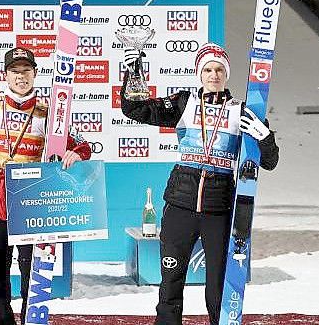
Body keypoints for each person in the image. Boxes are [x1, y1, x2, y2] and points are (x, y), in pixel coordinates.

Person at [120, 42, 279, 325]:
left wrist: (265, 137)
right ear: (199, 73)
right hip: (180, 204)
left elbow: (269, 161)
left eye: (219, 70)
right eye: (208, 69)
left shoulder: (241, 110)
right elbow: (134, 109)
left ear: (226, 74)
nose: (213, 74)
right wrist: (133, 71)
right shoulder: (184, 103)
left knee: (217, 284)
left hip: (218, 210)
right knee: (170, 281)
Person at [0, 47, 92, 325]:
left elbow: (82, 144)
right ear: (6, 75)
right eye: (15, 71)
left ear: (35, 74)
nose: (21, 77)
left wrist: (77, 153)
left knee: (34, 283)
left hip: (32, 206)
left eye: (26, 71)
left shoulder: (49, 112)